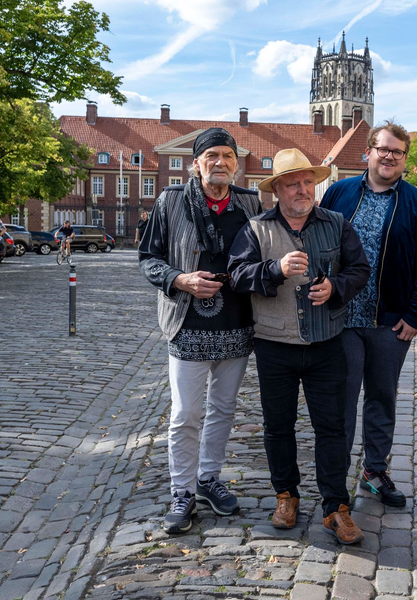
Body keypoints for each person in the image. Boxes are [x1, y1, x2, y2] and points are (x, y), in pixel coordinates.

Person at [229, 148, 370, 544]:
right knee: (278, 427)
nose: (303, 190)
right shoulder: (256, 228)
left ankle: (335, 507)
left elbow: (360, 269)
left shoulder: (336, 223)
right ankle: (286, 495)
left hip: (326, 342)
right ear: (277, 190)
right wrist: (274, 269)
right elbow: (237, 275)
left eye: (308, 182)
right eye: (293, 184)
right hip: (275, 344)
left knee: (332, 427)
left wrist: (336, 288)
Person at [139, 127, 262, 534]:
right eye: (212, 156)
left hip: (236, 325)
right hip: (186, 324)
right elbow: (148, 258)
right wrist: (179, 279)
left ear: (236, 163)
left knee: (224, 410)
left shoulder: (249, 202)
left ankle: (208, 479)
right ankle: (182, 491)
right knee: (186, 414)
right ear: (196, 164)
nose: (220, 163)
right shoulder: (171, 201)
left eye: (228, 156)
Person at [321, 120, 417, 507]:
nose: (389, 156)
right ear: (368, 152)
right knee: (341, 401)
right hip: (340, 318)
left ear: (405, 158)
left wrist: (416, 313)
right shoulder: (339, 193)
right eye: (383, 149)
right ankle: (335, 480)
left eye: (397, 151)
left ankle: (374, 471)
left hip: (390, 322)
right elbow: (317, 244)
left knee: (381, 398)